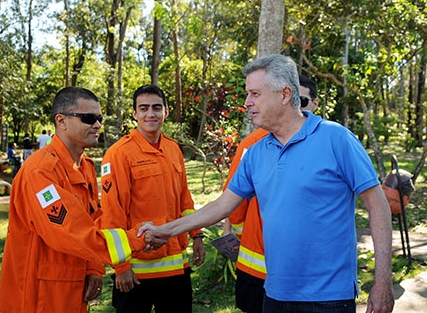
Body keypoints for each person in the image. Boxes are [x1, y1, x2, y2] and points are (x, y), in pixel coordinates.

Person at [140, 54, 394, 313]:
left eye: (255, 94)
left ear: (284, 94)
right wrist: (167, 230)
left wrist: (383, 280)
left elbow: (378, 205)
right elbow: (221, 206)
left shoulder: (336, 139)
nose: (247, 102)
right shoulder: (257, 152)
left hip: (328, 297)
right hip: (274, 294)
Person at [0, 86, 165, 312]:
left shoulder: (83, 166)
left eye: (99, 118)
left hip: (72, 289)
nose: (97, 125)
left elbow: (94, 219)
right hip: (38, 295)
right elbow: (70, 231)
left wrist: (94, 269)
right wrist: (137, 239)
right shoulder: (40, 172)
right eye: (88, 118)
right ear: (61, 121)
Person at [100, 84, 206, 313]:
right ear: (135, 114)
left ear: (166, 112)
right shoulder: (119, 154)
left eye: (157, 108)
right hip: (137, 270)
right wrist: (121, 266)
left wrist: (197, 235)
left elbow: (184, 199)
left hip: (176, 266)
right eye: (144, 108)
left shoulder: (173, 149)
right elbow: (112, 213)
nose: (151, 114)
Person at [222, 75, 319, 312]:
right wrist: (243, 235)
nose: (297, 107)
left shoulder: (328, 141)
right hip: (258, 266)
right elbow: (233, 202)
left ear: (315, 104)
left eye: (303, 101)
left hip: (305, 269)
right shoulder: (252, 145)